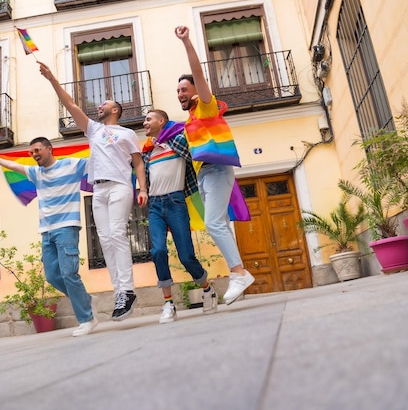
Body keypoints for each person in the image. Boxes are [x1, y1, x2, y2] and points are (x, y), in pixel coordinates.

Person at [37, 61, 148, 321]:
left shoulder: (127, 133)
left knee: (119, 235)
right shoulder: (93, 129)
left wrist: (142, 188)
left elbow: (138, 162)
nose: (99, 106)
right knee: (106, 240)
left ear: (115, 109)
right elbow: (71, 105)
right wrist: (52, 78)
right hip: (98, 191)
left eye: (104, 104)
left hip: (121, 186)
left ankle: (128, 290)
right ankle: (119, 292)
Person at [174, 25, 255, 305]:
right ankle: (239, 272)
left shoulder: (206, 106)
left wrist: (187, 43)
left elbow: (198, 73)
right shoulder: (190, 119)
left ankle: (239, 272)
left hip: (216, 169)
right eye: (178, 91)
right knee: (218, 223)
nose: (181, 94)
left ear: (197, 90)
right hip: (205, 174)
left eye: (185, 89)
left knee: (213, 222)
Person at [0, 137, 98, 337]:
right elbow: (14, 166)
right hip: (46, 231)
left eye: (37, 150)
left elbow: (97, 157)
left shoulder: (71, 165)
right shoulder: (36, 173)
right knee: (52, 276)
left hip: (67, 227)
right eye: (31, 152)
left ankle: (87, 319)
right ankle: (85, 298)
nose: (34, 155)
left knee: (69, 274)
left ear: (49, 149)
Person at [141, 109, 217, 323]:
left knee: (186, 256)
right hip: (155, 204)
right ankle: (168, 303)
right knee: (157, 251)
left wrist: (169, 139)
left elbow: (193, 146)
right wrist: (142, 190)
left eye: (149, 119)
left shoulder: (177, 140)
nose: (145, 123)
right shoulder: (148, 151)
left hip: (175, 202)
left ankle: (207, 289)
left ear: (161, 121)